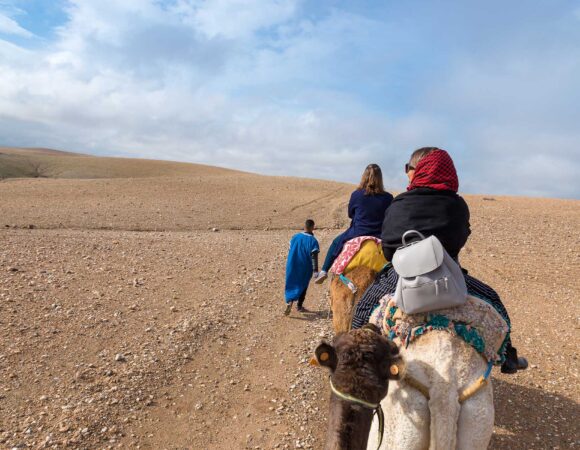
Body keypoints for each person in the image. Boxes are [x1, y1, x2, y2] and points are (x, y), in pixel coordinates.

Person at [352, 147, 527, 374]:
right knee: (494, 301)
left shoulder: (400, 203)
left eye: (409, 168)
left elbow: (388, 249)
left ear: (418, 170)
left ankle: (353, 365)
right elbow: (460, 239)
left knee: (363, 309)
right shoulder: (457, 204)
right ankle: (509, 358)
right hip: (448, 274)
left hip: (401, 277)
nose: (407, 172)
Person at [314, 164, 393, 283]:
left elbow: (351, 214)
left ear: (364, 177)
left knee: (336, 242)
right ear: (380, 178)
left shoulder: (356, 194)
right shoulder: (388, 198)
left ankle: (324, 271)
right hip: (379, 234)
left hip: (358, 232)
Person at [284, 219, 320, 315]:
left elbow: (290, 250)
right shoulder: (313, 241)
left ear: (304, 226)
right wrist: (315, 270)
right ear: (312, 227)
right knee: (303, 285)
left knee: (292, 282)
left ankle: (289, 301)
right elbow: (314, 257)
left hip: (292, 264)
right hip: (305, 266)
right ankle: (299, 305)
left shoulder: (295, 237)